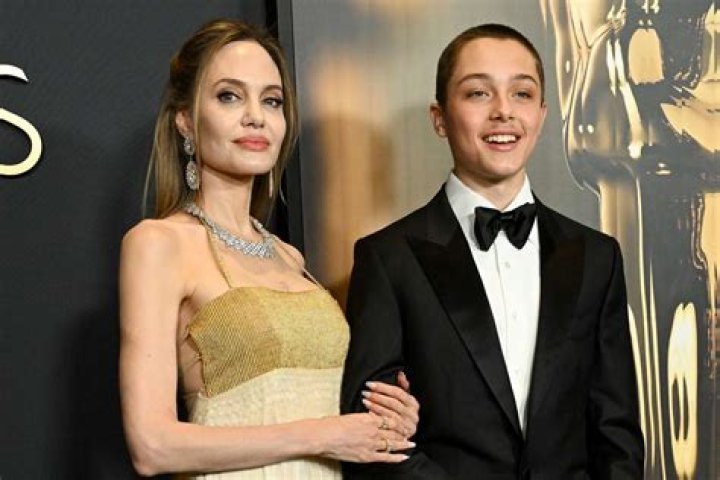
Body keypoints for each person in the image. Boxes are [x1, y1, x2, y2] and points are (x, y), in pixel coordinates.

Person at [340, 23, 644, 478]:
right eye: (478, 93)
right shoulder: (388, 259)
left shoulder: (597, 257)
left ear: (542, 115)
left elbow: (616, 432)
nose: (503, 111)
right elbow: (375, 438)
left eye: (522, 94)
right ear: (439, 118)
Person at [118, 19, 418, 479]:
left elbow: (319, 409)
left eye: (271, 100)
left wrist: (387, 420)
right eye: (229, 96)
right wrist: (323, 435)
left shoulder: (289, 257)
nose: (255, 116)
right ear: (185, 120)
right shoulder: (159, 244)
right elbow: (152, 446)